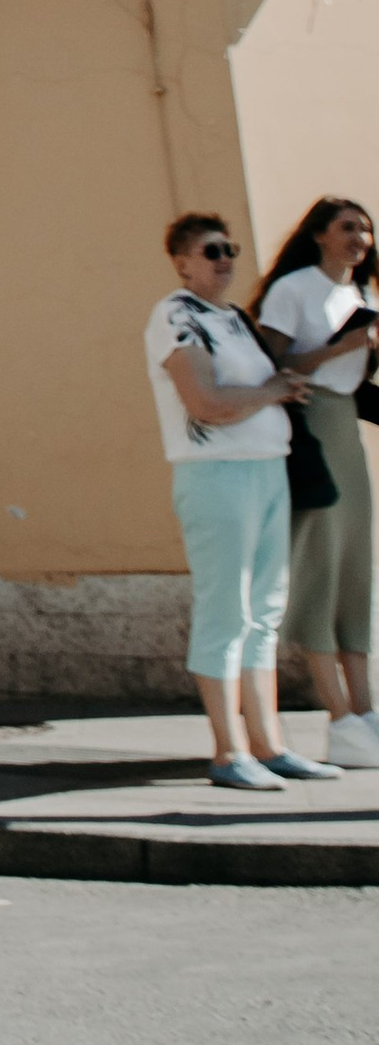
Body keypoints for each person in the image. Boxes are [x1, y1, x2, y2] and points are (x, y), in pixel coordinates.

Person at [143, 209, 340, 792]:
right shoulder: (174, 314)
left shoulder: (234, 319)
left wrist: (274, 391)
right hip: (216, 474)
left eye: (228, 248)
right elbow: (203, 401)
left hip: (265, 470)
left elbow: (248, 394)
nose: (224, 258)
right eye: (210, 251)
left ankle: (269, 745)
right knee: (226, 608)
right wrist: (271, 391)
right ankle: (228, 751)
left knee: (265, 610)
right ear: (182, 263)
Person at [256, 197, 379, 770]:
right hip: (311, 433)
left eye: (366, 229)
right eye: (348, 227)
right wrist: (341, 348)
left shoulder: (361, 296)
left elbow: (354, 383)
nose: (360, 237)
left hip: (347, 432)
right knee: (321, 568)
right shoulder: (296, 288)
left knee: (356, 567)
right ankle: (339, 719)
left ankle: (365, 709)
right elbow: (271, 367)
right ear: (319, 235)